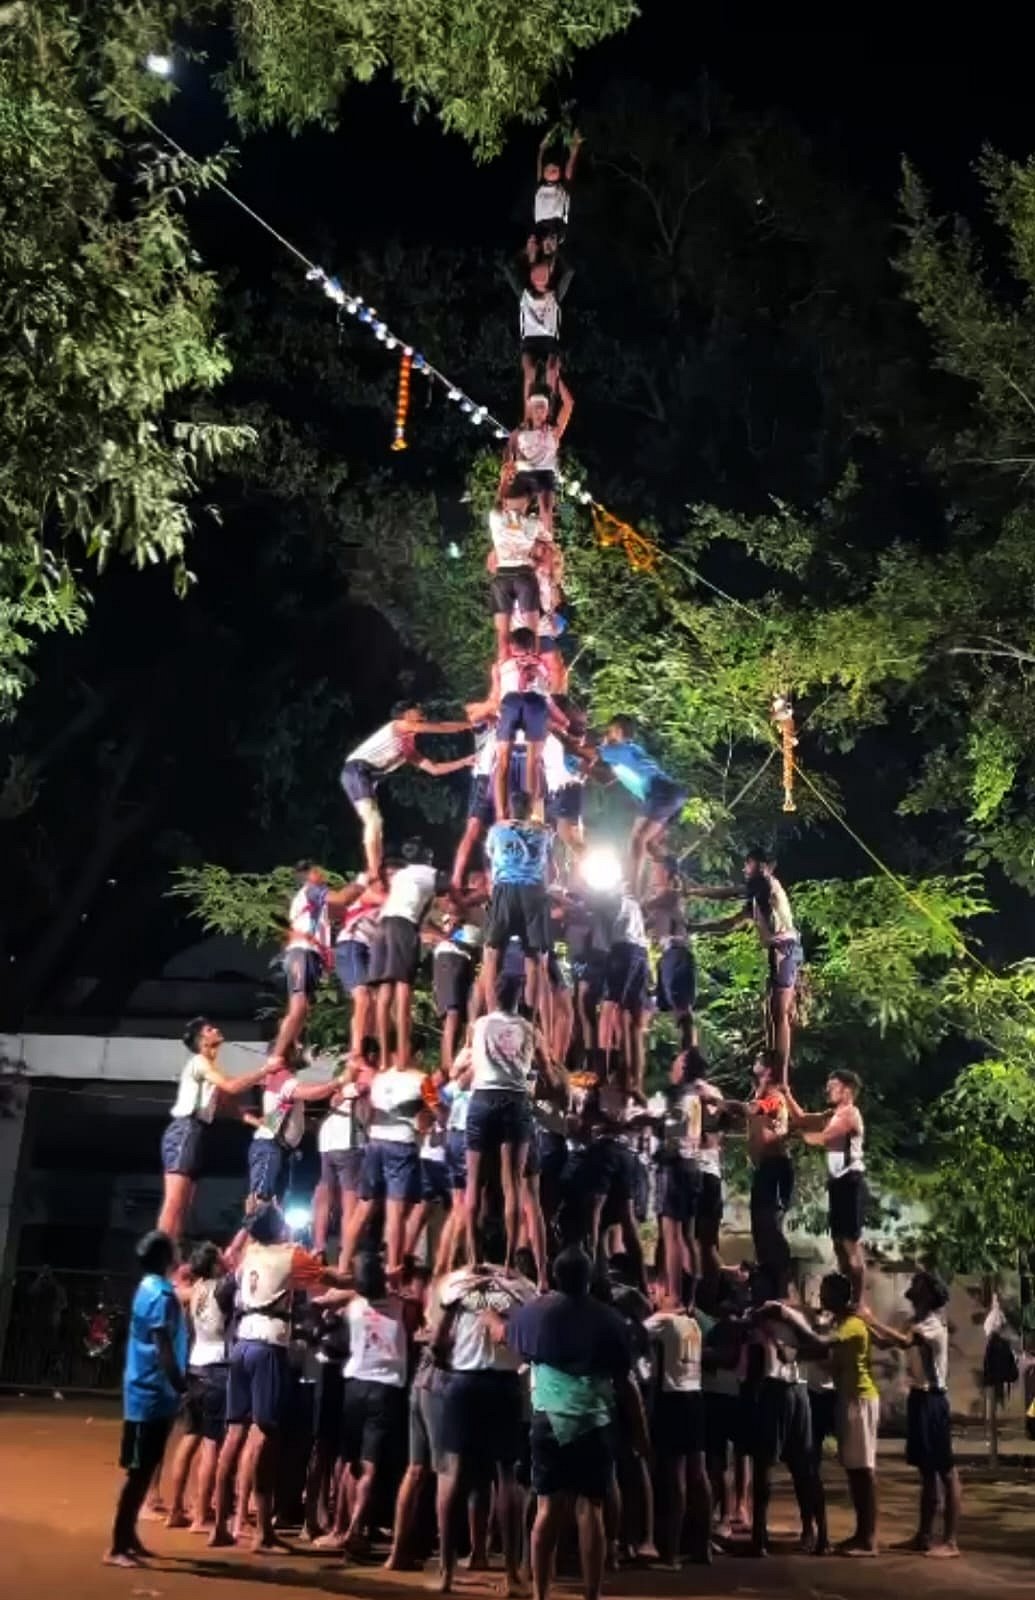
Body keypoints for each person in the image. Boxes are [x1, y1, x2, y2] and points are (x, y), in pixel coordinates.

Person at [486, 1247, 650, 1600]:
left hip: (548, 1419)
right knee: (590, 1508)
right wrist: (640, 1433)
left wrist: (489, 1317)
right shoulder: (609, 1319)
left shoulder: (533, 1315)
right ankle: (592, 1593)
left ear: (556, 1277)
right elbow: (625, 1384)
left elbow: (504, 1336)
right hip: (594, 1421)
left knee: (547, 1508)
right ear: (588, 1278)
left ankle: (540, 1593)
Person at [209, 1205, 335, 1550]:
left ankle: (221, 1525)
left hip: (242, 1343)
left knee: (233, 1435)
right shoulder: (291, 1254)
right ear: (278, 1226)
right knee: (261, 1438)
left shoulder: (250, 1252)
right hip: (268, 1345)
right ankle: (260, 1530)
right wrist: (369, 1281)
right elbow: (329, 1279)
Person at [433, 1261, 538, 1594]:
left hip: (464, 1382)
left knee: (453, 1474)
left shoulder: (456, 1283)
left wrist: (445, 1361)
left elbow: (438, 1340)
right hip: (505, 1385)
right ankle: (511, 1574)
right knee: (507, 1476)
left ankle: (446, 1573)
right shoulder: (524, 1288)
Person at [764, 1274, 880, 1557]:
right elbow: (825, 1356)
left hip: (848, 1398)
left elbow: (821, 1345)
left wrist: (791, 1327)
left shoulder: (846, 1324)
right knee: (817, 1467)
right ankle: (819, 1531)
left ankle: (865, 1537)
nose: (821, 1298)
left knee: (860, 1469)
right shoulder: (833, 1320)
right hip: (834, 1397)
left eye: (827, 1292)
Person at [313, 1253, 421, 1554]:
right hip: (385, 1390)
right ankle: (354, 1529)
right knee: (370, 1466)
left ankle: (341, 1527)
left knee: (350, 1463)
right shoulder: (403, 1307)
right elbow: (415, 1311)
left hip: (354, 1386)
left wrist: (378, 1280)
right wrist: (395, 1281)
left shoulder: (354, 1306)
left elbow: (324, 1302)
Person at [862, 1270, 961, 1557]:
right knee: (927, 1472)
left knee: (946, 1470)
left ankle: (951, 1541)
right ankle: (924, 1536)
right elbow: (884, 1342)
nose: (912, 1286)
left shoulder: (931, 1324)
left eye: (918, 1283)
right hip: (920, 1398)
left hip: (933, 1399)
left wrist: (872, 1320)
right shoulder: (913, 1322)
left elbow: (905, 1342)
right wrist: (862, 1322)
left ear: (930, 1293)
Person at [465, 973, 554, 1286]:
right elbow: (545, 1067)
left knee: (474, 1183)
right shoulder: (529, 1029)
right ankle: (507, 1265)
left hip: (483, 1097)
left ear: (494, 994)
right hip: (515, 1100)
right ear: (520, 994)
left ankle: (474, 1258)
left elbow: (467, 1059)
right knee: (513, 1185)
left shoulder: (480, 1025)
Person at [106, 1230, 186, 1567]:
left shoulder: (150, 1288)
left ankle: (129, 1538)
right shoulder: (161, 1296)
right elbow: (163, 1346)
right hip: (150, 1393)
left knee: (145, 1467)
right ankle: (116, 1546)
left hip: (152, 1391)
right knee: (139, 1471)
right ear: (167, 1258)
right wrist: (181, 1387)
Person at [688, 848, 802, 1083]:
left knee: (779, 1015)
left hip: (786, 948)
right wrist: (692, 928)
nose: (744, 869)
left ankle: (781, 1080)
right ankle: (772, 1069)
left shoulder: (768, 884)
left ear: (761, 866)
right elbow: (728, 924)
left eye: (747, 864)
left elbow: (728, 893)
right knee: (770, 1013)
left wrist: (693, 890)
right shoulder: (756, 898)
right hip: (778, 951)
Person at [158, 1017, 268, 1240]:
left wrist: (255, 1121)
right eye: (210, 1029)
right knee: (174, 1202)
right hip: (185, 1129)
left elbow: (227, 1104)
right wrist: (266, 1070)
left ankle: (171, 1259)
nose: (216, 1029)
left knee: (183, 1205)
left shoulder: (210, 1066)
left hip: (196, 1132)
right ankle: (158, 1261)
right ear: (202, 1040)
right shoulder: (200, 1062)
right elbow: (232, 1086)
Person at [340, 707, 472, 882]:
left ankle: (376, 868)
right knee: (373, 820)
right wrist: (468, 725)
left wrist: (464, 761)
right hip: (357, 770)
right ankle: (373, 868)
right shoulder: (397, 726)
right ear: (406, 716)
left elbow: (434, 769)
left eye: (422, 717)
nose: (422, 719)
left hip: (366, 777)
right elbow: (438, 727)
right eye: (418, 716)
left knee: (376, 823)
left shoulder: (407, 750)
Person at [341, 1055, 431, 1276]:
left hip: (375, 1143)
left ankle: (343, 1265)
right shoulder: (421, 1079)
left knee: (364, 1208)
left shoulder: (379, 1079)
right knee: (395, 1212)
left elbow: (365, 1104)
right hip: (401, 1145)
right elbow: (430, 1115)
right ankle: (393, 1269)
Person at [786, 1070, 867, 1300]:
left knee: (850, 1244)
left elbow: (821, 1138)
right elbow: (802, 1117)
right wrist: (786, 1093)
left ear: (847, 1090)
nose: (828, 1090)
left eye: (833, 1087)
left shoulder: (849, 1114)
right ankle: (846, 1295)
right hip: (838, 1183)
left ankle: (858, 1301)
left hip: (851, 1182)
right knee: (839, 1244)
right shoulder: (834, 1113)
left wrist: (795, 1133)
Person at [645, 1292, 712, 1565]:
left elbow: (632, 1331)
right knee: (698, 1474)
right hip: (694, 1395)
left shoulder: (665, 1321)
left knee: (675, 1478)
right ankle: (702, 1546)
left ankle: (671, 1553)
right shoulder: (691, 1322)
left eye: (659, 1289)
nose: (654, 1293)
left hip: (672, 1400)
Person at [653, 1049, 724, 1306]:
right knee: (686, 1235)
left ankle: (675, 1295)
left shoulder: (681, 1096)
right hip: (694, 1165)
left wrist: (654, 1127)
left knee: (672, 1235)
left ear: (683, 1068)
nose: (672, 1067)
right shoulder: (700, 1096)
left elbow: (674, 1136)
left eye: (677, 1062)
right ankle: (691, 1299)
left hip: (678, 1167)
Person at [368, 859, 451, 1070]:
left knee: (384, 992)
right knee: (403, 986)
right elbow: (451, 890)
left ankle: (384, 1059)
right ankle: (403, 1059)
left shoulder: (401, 881)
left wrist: (442, 935)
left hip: (382, 927)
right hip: (402, 926)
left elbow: (423, 921)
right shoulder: (429, 873)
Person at [482, 789, 554, 1031]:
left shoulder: (497, 830)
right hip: (533, 891)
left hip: (506, 889)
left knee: (493, 953)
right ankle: (529, 1017)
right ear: (530, 807)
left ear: (511, 807)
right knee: (534, 957)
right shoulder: (544, 831)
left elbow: (491, 859)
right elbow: (550, 867)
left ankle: (492, 1012)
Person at [591, 717, 688, 891]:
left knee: (638, 839)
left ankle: (631, 891)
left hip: (661, 792)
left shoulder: (620, 749)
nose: (607, 736)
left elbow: (586, 752)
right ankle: (672, 870)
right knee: (650, 844)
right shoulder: (630, 752)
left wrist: (558, 733)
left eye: (610, 732)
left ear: (619, 732)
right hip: (669, 794)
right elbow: (606, 778)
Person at [492, 626, 566, 819]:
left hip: (510, 702)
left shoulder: (502, 664)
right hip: (536, 703)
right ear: (533, 646)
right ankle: (532, 814)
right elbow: (548, 694)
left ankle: (502, 814)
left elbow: (496, 695)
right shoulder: (541, 665)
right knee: (533, 763)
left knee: (503, 763)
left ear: (512, 646)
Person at [247, 1052, 341, 1204]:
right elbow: (311, 1093)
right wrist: (338, 1082)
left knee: (275, 1199)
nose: (300, 1049)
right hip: (271, 1146)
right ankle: (248, 1227)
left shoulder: (284, 1080)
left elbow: (280, 1116)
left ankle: (265, 1226)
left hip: (282, 1149)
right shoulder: (282, 1079)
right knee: (261, 1196)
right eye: (296, 1047)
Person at [313, 1042, 377, 1259]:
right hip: (346, 1140)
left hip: (329, 1138)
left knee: (325, 1193)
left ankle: (320, 1247)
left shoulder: (344, 1073)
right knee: (349, 1197)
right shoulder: (367, 1074)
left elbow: (335, 1098)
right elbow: (347, 1096)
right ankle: (345, 1251)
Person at [487, 479, 549, 662]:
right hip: (524, 575)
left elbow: (499, 503)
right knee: (533, 632)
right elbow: (546, 537)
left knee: (502, 635)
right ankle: (533, 666)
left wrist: (504, 481)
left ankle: (504, 668)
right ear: (527, 502)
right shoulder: (532, 523)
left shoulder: (495, 517)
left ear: (506, 501)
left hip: (502, 576)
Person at [501, 382, 574, 537]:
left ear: (547, 412)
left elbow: (569, 404)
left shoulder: (553, 431)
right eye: (536, 409)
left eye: (543, 409)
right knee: (515, 504)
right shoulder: (520, 431)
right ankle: (514, 535)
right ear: (531, 410)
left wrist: (558, 378)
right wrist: (509, 465)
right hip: (525, 471)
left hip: (545, 473)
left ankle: (547, 542)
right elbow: (509, 448)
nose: (539, 413)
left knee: (546, 510)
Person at [598, 890, 651, 1092]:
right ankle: (631, 1080)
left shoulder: (614, 895)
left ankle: (604, 1071)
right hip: (641, 951)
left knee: (609, 1007)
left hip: (623, 948)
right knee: (628, 1017)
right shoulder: (633, 901)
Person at [644, 856, 697, 1050]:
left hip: (678, 954)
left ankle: (690, 1061)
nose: (651, 874)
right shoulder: (663, 900)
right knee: (653, 1007)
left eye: (654, 869)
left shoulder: (670, 895)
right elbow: (646, 921)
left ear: (665, 872)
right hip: (666, 957)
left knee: (682, 1010)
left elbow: (646, 906)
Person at [504, 257, 575, 399]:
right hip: (529, 340)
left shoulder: (555, 295)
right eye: (536, 274)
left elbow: (569, 272)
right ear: (531, 276)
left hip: (549, 341)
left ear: (548, 277)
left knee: (551, 370)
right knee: (530, 371)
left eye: (544, 274)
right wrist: (528, 252)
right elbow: (508, 268)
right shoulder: (524, 295)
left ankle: (550, 407)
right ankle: (528, 412)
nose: (540, 277)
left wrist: (556, 252)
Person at [332, 877, 385, 1056]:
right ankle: (357, 1051)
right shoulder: (370, 893)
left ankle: (371, 1045)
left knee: (377, 1002)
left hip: (370, 950)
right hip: (352, 944)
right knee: (363, 998)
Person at [533, 127, 583, 248]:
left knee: (548, 172)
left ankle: (557, 138)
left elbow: (541, 165)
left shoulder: (540, 228)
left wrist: (542, 147)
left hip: (547, 197)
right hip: (557, 203)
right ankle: (575, 141)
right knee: (567, 173)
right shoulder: (560, 233)